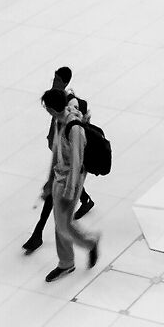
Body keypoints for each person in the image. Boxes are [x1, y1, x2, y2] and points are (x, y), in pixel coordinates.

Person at [22, 68, 95, 254]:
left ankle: (39, 233)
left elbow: (77, 159)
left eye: (57, 79)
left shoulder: (69, 106)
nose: (54, 82)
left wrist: (69, 189)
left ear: (65, 82)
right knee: (60, 214)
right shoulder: (59, 105)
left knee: (60, 216)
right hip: (63, 162)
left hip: (69, 167)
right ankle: (85, 200)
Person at [45, 90, 100, 282]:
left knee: (64, 224)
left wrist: (69, 191)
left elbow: (77, 162)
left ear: (52, 109)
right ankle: (66, 262)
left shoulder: (74, 128)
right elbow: (56, 152)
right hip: (59, 176)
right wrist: (49, 180)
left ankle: (90, 242)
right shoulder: (59, 121)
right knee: (60, 222)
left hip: (71, 180)